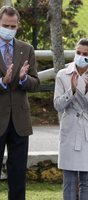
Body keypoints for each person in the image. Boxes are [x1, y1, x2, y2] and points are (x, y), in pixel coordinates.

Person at [0, 5, 40, 200]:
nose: (9, 29)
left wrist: (22, 79)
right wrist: (2, 82)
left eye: (13, 26)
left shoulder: (27, 49)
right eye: (6, 25)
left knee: (18, 173)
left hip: (20, 121)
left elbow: (35, 83)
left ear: (18, 25)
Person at [54, 38, 88, 200]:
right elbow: (58, 105)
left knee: (86, 181)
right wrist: (72, 90)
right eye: (78, 52)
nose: (81, 56)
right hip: (69, 130)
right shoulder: (63, 74)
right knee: (69, 180)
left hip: (86, 131)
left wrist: (86, 91)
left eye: (85, 54)